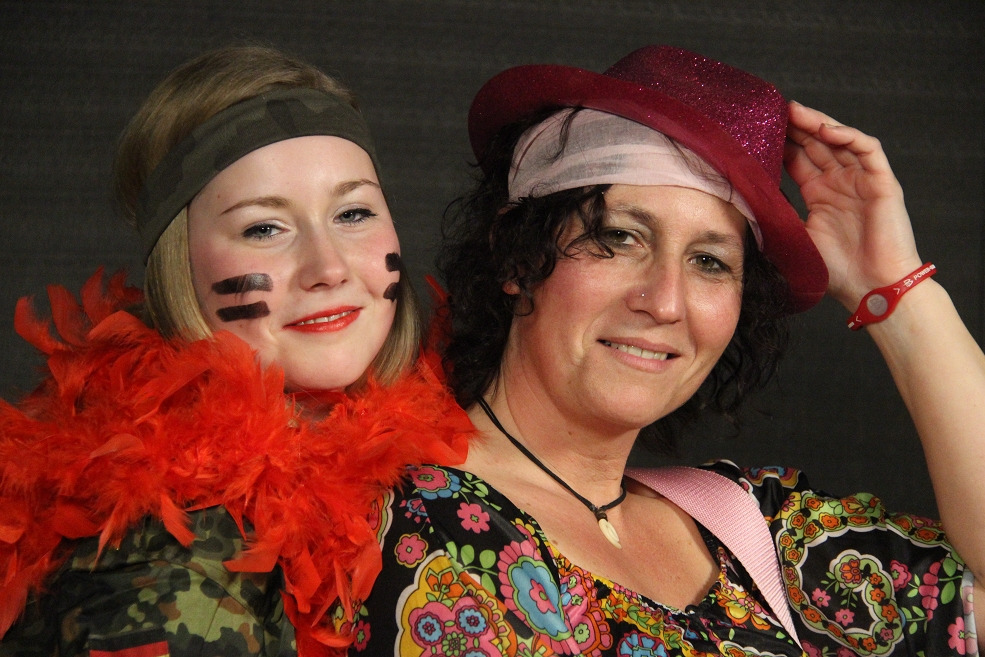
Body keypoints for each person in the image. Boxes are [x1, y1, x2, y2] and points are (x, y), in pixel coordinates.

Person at [354, 46, 985, 656]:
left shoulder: (753, 531)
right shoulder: (409, 525)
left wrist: (895, 292)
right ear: (518, 256)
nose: (664, 302)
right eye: (620, 237)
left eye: (710, 261)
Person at [0, 46, 471, 656]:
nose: (328, 267)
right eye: (263, 228)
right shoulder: (170, 555)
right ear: (180, 266)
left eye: (353, 212)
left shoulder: (439, 461)